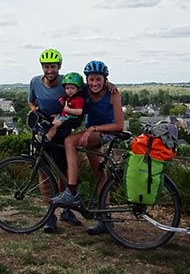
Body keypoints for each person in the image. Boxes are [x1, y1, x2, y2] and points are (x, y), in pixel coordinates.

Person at [50, 60, 124, 235]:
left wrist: (92, 129)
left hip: (105, 131)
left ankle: (72, 191)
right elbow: (70, 90)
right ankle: (105, 220)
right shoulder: (86, 92)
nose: (94, 83)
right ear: (87, 80)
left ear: (105, 79)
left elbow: (119, 125)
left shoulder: (113, 93)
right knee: (100, 176)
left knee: (69, 141)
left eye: (98, 79)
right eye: (91, 79)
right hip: (90, 134)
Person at [27, 48, 82, 232]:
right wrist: (35, 111)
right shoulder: (35, 82)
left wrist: (109, 84)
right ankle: (49, 215)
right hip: (41, 130)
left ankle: (65, 210)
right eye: (46, 66)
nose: (49, 70)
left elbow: (83, 93)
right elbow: (31, 101)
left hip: (61, 130)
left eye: (53, 67)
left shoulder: (67, 81)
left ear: (59, 67)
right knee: (43, 172)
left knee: (63, 172)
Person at [45, 72, 86, 141]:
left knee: (54, 125)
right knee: (52, 120)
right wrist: (63, 100)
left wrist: (68, 110)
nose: (69, 90)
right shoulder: (70, 97)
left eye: (72, 88)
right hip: (65, 116)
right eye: (67, 88)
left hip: (70, 118)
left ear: (78, 89)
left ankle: (48, 137)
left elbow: (79, 111)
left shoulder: (79, 99)